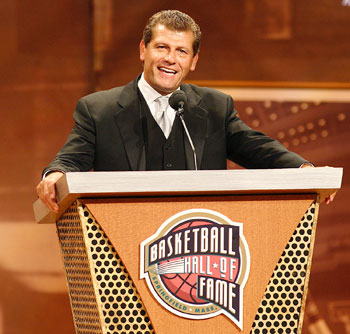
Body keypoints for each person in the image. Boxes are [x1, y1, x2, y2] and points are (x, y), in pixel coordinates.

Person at [36, 10, 333, 212]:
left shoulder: (216, 108)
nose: (170, 59)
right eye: (161, 47)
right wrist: (55, 174)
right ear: (143, 50)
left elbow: (257, 148)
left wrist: (304, 170)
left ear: (193, 61)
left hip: (201, 254)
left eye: (181, 51)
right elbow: (71, 158)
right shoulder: (98, 110)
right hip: (124, 254)